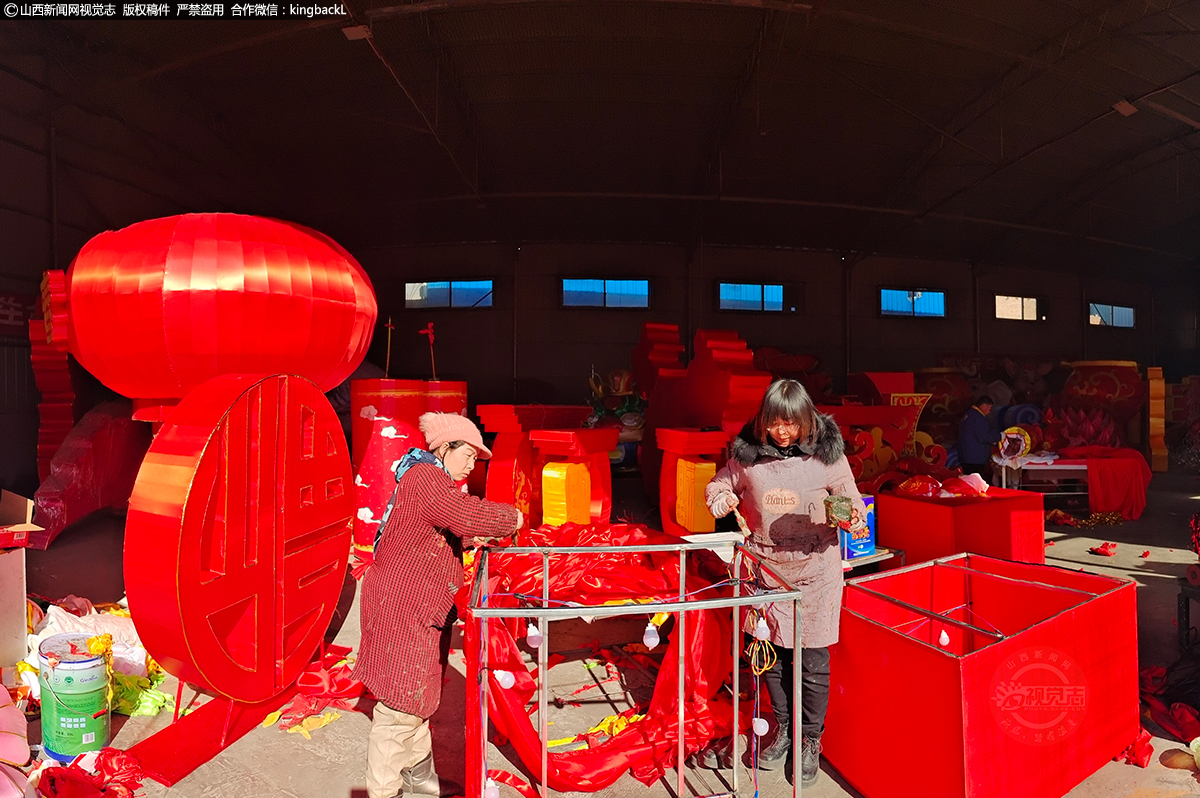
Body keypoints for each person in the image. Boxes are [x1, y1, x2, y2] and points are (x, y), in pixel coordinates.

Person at [704, 379, 866, 787]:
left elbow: (852, 499)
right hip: (763, 569)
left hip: (815, 568)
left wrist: (851, 518)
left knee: (812, 661)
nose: (782, 432)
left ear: (806, 420)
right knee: (768, 656)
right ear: (763, 421)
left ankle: (810, 740)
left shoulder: (829, 456)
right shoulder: (747, 456)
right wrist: (721, 500)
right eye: (775, 423)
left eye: (791, 424)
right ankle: (782, 730)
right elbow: (719, 484)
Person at [355, 412, 523, 798]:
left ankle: (416, 774)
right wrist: (509, 517)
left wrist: (470, 542)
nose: (471, 463)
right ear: (446, 448)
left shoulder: (430, 480)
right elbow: (463, 514)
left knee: (420, 694)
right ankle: (386, 790)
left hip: (413, 603)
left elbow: (427, 533)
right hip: (401, 606)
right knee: (399, 706)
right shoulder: (427, 478)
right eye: (467, 454)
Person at [957, 396, 1001, 477]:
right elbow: (984, 437)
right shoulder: (977, 417)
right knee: (975, 482)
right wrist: (1000, 436)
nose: (989, 412)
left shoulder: (969, 414)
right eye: (989, 408)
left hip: (967, 456)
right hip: (975, 458)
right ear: (983, 406)